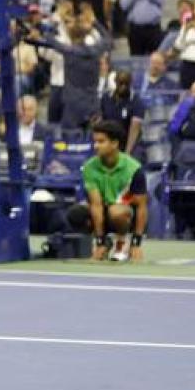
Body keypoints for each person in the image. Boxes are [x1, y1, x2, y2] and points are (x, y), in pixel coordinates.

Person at [82, 120, 148, 263]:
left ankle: (122, 243)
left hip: (126, 214)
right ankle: (104, 244)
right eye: (95, 141)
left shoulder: (134, 169)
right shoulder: (89, 167)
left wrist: (137, 242)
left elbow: (142, 206)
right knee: (77, 214)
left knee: (117, 212)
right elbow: (96, 205)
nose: (96, 146)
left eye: (101, 141)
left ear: (114, 143)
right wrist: (99, 241)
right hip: (104, 211)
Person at [98, 71, 145, 155]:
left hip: (128, 142)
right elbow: (101, 121)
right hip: (109, 140)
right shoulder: (106, 98)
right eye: (120, 83)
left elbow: (135, 128)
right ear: (116, 82)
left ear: (130, 84)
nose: (123, 87)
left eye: (126, 84)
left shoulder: (136, 101)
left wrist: (127, 153)